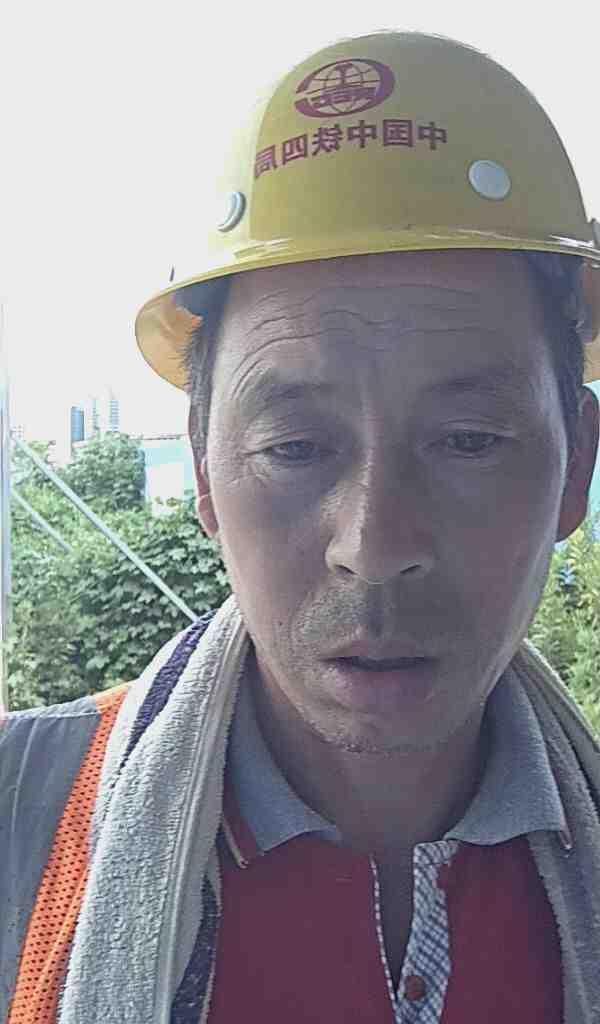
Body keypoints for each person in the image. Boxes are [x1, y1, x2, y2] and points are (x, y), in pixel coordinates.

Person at [2, 31, 600, 1024]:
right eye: (294, 446)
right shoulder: (24, 820)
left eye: (468, 439)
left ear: (576, 462)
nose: (375, 545)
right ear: (203, 472)